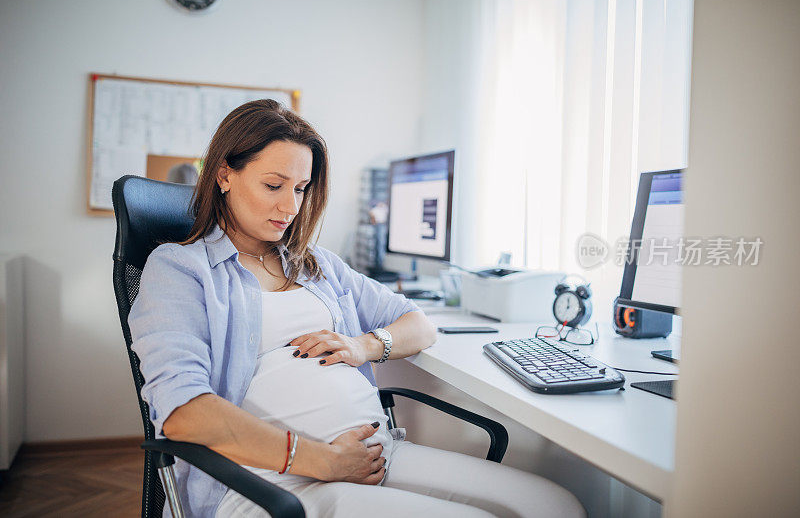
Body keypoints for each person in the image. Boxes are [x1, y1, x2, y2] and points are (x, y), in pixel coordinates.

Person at [128, 99, 585, 518]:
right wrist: (322, 459)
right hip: (265, 480)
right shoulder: (181, 270)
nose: (290, 206)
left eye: (302, 189)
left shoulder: (315, 264)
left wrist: (365, 345)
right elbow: (182, 412)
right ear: (225, 174)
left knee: (556, 506)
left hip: (375, 451)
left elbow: (420, 325)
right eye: (273, 185)